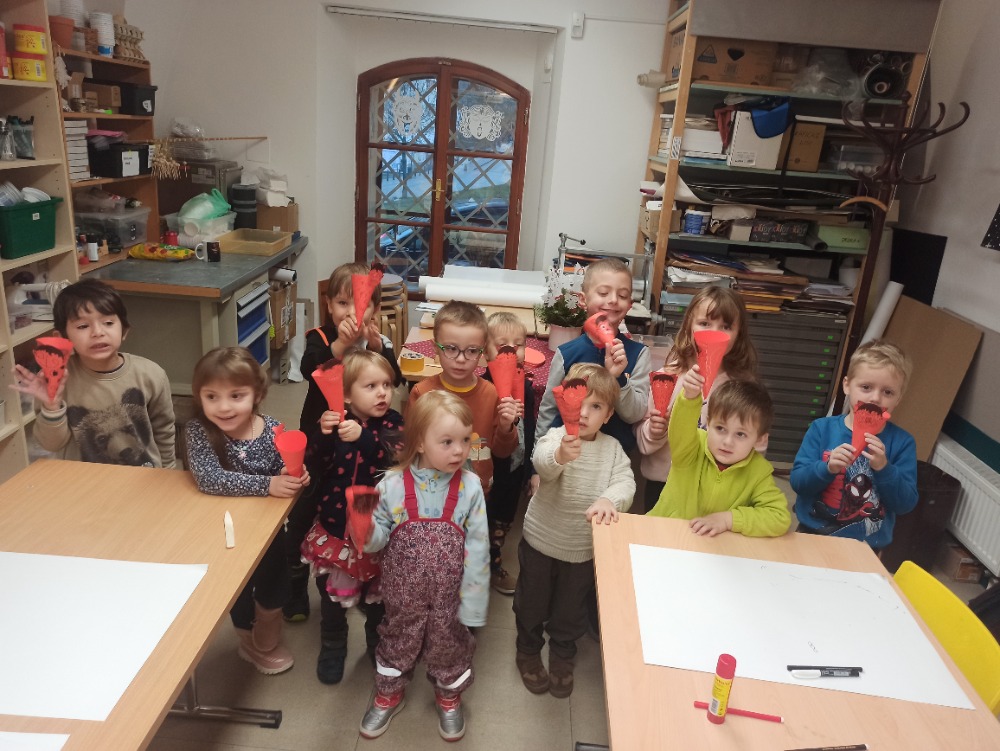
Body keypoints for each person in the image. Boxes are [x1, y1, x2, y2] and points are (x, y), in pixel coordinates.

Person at [358, 390, 489, 742]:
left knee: (449, 645)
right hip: (402, 596)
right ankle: (389, 692)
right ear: (418, 443)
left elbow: (479, 546)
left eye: (465, 440)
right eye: (447, 442)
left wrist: (474, 602)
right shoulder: (390, 485)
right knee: (397, 641)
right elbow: (376, 541)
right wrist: (364, 530)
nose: (459, 451)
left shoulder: (471, 487)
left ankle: (449, 695)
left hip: (451, 597)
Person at [286, 262, 403, 622]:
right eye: (342, 303)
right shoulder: (320, 337)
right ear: (328, 305)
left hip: (366, 440)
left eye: (362, 304)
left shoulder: (377, 342)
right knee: (305, 509)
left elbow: (396, 378)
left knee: (358, 502)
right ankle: (295, 583)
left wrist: (376, 346)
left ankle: (359, 569)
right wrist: (340, 344)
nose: (352, 312)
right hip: (322, 438)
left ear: (375, 309)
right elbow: (309, 368)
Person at [185, 347, 310, 675]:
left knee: (275, 583)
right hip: (223, 531)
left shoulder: (273, 429)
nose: (224, 407)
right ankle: (245, 638)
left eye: (236, 395)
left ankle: (268, 618)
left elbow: (284, 466)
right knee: (236, 589)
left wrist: (294, 474)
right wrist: (268, 485)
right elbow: (209, 479)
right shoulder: (199, 431)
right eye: (212, 397)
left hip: (266, 530)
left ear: (257, 394)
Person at [515, 363, 635, 698]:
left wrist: (610, 499)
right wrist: (560, 456)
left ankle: (563, 653)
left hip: (582, 548)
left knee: (571, 608)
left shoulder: (612, 450)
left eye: (594, 406)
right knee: (532, 602)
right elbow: (542, 463)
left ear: (608, 415)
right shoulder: (557, 437)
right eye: (577, 402)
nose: (583, 413)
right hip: (541, 541)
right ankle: (527, 649)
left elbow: (626, 482)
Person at [301, 350, 403, 685]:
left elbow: (394, 457)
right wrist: (322, 433)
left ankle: (376, 640)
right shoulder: (335, 420)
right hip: (335, 528)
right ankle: (333, 644)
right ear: (345, 394)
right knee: (331, 599)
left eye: (387, 384)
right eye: (371, 386)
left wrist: (364, 438)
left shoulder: (393, 423)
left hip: (378, 531)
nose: (382, 393)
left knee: (377, 599)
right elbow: (313, 462)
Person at [12, 278, 175, 467]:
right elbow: (51, 444)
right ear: (62, 338)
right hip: (84, 479)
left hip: (143, 475)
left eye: (108, 322)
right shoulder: (57, 379)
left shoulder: (151, 374)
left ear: (124, 330)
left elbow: (163, 431)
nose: (97, 332)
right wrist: (52, 406)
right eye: (83, 326)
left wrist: (167, 473)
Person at [634, 286, 759, 511]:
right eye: (705, 323)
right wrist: (654, 431)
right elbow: (642, 437)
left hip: (714, 491)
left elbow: (753, 442)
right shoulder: (667, 377)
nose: (714, 333)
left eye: (726, 326)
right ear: (689, 326)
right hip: (664, 483)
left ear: (739, 333)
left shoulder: (743, 387)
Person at [791, 339, 917, 549]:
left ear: (898, 399)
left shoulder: (902, 443)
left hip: (867, 546)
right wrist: (827, 468)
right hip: (812, 534)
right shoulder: (821, 429)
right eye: (866, 387)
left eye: (888, 392)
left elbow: (905, 504)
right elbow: (798, 483)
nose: (875, 398)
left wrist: (884, 469)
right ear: (847, 385)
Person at [406, 300, 520, 514]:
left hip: (477, 496)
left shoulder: (491, 394)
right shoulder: (422, 393)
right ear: (435, 348)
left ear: (482, 352)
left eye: (471, 351)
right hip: (431, 494)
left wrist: (506, 427)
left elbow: (503, 452)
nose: (460, 359)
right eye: (451, 348)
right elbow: (411, 449)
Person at [647, 369, 790, 538]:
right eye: (720, 428)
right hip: (663, 534)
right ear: (708, 424)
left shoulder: (759, 472)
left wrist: (729, 519)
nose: (727, 441)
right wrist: (690, 398)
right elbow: (680, 430)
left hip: (713, 546)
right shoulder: (691, 448)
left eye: (740, 434)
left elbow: (779, 517)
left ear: (760, 440)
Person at [535, 258, 651, 457]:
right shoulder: (566, 353)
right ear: (583, 300)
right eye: (603, 293)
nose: (613, 300)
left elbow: (635, 414)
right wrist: (537, 460)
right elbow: (548, 410)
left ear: (629, 305)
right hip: (565, 455)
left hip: (611, 461)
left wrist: (619, 378)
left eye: (622, 295)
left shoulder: (639, 354)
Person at [482, 311, 537, 595]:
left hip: (515, 468)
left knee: (504, 518)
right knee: (484, 518)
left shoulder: (526, 385)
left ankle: (494, 560)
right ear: (485, 351)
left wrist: (529, 469)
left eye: (518, 344)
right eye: (502, 344)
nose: (511, 351)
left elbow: (530, 427)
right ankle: (482, 566)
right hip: (490, 470)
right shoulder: (483, 388)